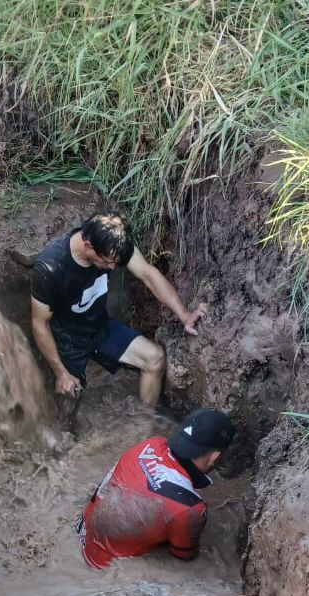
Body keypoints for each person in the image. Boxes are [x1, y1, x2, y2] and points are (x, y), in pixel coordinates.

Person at [30, 211, 207, 407]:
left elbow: (148, 274)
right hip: (66, 341)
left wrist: (184, 315)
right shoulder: (50, 268)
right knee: (70, 397)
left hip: (99, 326)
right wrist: (61, 373)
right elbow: (40, 324)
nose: (113, 268)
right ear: (88, 246)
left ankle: (144, 422)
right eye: (109, 261)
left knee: (155, 359)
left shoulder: (114, 242)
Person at [74, 408, 235, 569]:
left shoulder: (151, 444)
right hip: (104, 569)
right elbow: (184, 559)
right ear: (214, 457)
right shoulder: (190, 508)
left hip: (79, 533)